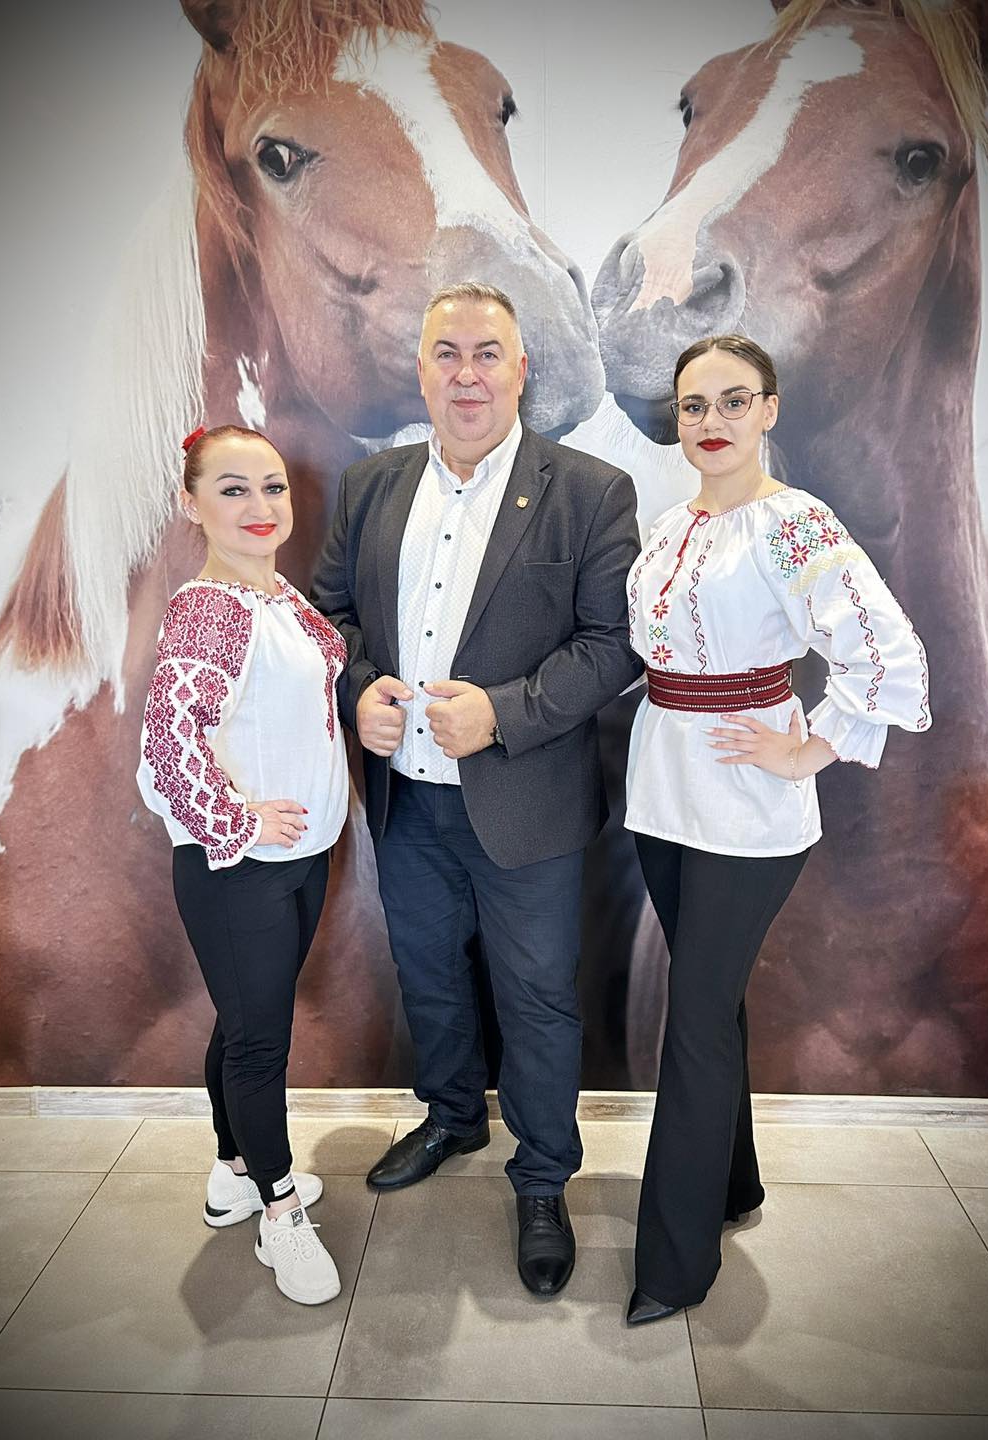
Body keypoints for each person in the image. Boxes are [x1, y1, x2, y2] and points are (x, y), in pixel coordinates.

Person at [312, 282, 642, 1297]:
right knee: (429, 976)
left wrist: (503, 712)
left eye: (487, 354)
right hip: (406, 801)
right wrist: (358, 689)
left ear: (520, 369)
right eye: (447, 354)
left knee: (537, 999)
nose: (467, 374)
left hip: (527, 806)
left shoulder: (590, 490)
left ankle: (542, 1178)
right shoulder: (369, 485)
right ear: (420, 371)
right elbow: (328, 618)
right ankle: (452, 1117)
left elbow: (614, 644)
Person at [624, 335, 931, 1325]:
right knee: (709, 1000)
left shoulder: (793, 523)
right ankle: (733, 1185)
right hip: (661, 794)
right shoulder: (668, 526)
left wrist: (813, 749)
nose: (710, 421)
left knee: (694, 1018)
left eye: (733, 400)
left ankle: (674, 1267)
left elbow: (887, 651)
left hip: (747, 807)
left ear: (769, 409)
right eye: (693, 405)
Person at [137, 423, 349, 1307]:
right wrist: (237, 820)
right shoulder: (210, 608)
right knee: (261, 1042)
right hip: (240, 868)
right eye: (232, 489)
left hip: (298, 855)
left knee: (243, 1022)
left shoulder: (276, 595)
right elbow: (168, 746)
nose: (260, 506)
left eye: (272, 487)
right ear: (191, 504)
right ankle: (279, 1211)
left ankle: (232, 1172)